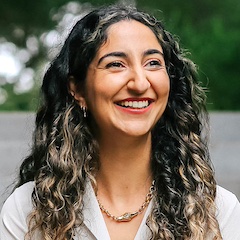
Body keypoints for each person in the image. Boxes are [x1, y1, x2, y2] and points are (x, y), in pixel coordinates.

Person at [1, 4, 240, 240]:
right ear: (77, 89)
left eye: (153, 63)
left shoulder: (217, 213)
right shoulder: (26, 212)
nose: (140, 83)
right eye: (116, 64)